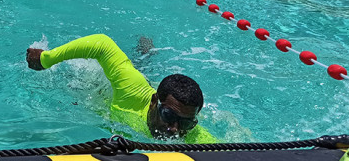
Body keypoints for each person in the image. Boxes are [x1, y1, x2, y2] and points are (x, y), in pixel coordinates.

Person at [26, 34, 217, 143]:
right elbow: (101, 44)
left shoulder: (195, 136)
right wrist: (46, 59)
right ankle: (146, 49)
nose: (174, 130)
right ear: (153, 103)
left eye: (185, 123)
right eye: (168, 115)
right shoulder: (130, 89)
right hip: (105, 90)